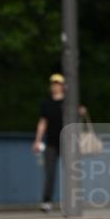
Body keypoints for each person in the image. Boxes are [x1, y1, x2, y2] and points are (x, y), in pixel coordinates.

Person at [33, 73, 85, 211]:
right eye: (53, 84)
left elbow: (78, 116)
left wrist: (81, 112)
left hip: (67, 142)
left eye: (58, 84)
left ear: (63, 86)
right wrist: (37, 140)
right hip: (51, 143)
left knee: (70, 172)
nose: (55, 86)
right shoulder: (46, 103)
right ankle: (47, 201)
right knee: (49, 173)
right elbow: (43, 122)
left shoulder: (69, 102)